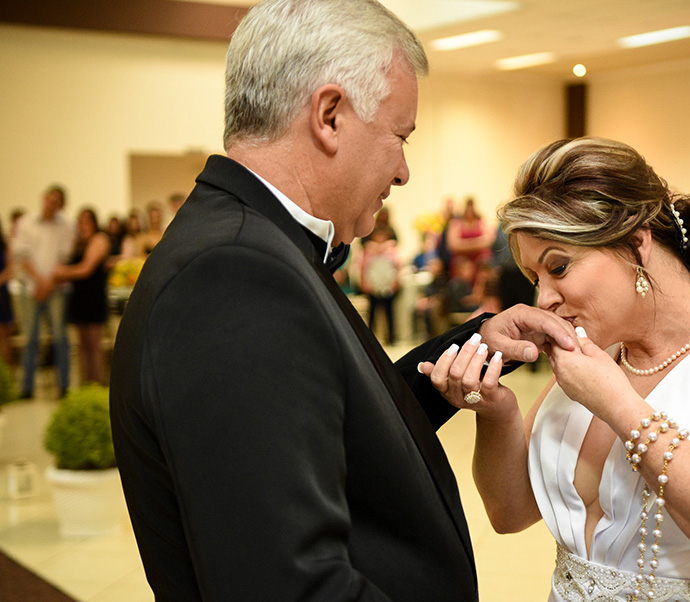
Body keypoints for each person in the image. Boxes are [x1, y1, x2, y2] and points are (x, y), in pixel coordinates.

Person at [108, 2, 574, 601]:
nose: (405, 172)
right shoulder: (233, 274)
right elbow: (286, 584)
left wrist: (476, 343)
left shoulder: (255, 243)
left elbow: (334, 425)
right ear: (330, 115)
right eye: (400, 136)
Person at [421, 137, 690, 602]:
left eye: (559, 267)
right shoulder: (598, 350)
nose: (544, 299)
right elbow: (509, 513)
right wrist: (496, 411)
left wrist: (618, 405)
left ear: (636, 243)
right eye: (535, 278)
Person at [13, 185, 76, 399]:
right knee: (30, 339)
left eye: (57, 201)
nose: (52, 203)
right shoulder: (26, 223)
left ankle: (64, 386)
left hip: (56, 289)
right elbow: (22, 255)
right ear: (43, 198)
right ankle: (27, 388)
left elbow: (63, 258)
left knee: (60, 338)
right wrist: (40, 283)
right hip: (31, 289)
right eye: (50, 199)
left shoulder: (67, 226)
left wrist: (48, 285)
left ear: (62, 204)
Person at [53, 208, 111, 385]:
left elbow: (86, 269)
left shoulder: (100, 239)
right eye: (80, 221)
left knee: (94, 344)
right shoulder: (77, 242)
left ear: (94, 222)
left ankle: (97, 383)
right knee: (82, 345)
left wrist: (62, 273)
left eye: (86, 221)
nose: (83, 224)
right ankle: (86, 384)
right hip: (78, 297)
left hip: (93, 297)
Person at [0, 218, 16, 366]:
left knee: (5, 337)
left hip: (2, 295)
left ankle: (7, 379)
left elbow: (11, 269)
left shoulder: (5, 246)